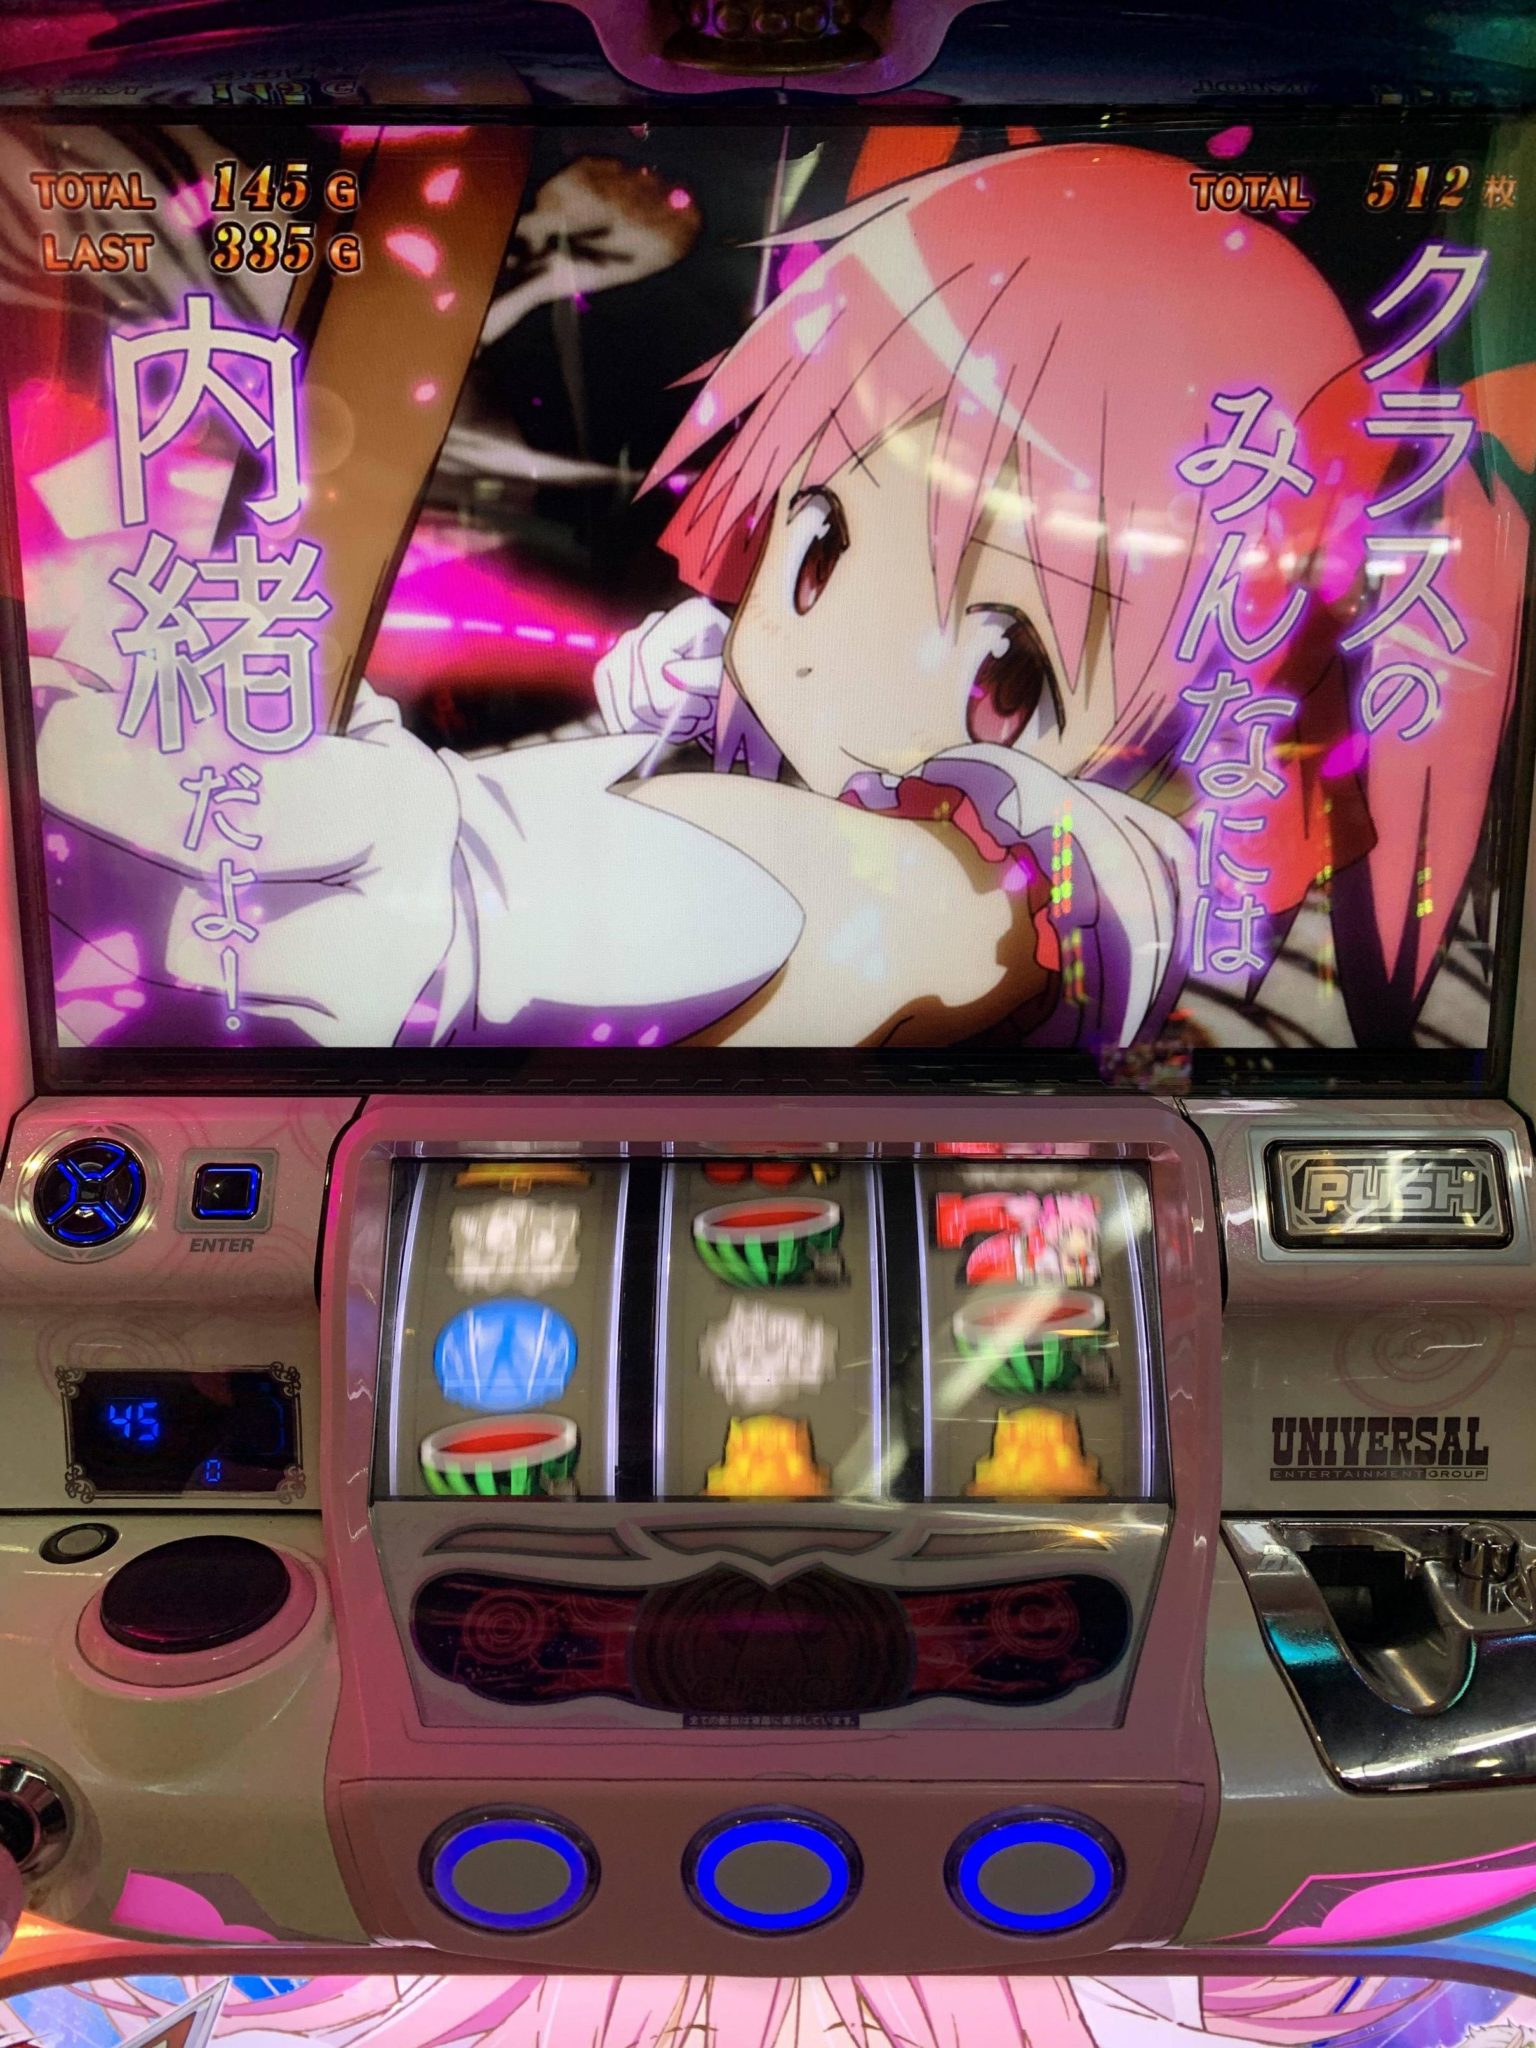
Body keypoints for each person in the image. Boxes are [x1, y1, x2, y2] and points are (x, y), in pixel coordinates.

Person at [32, 142, 1521, 1052]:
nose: (833, 657)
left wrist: (468, 899)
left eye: (1011, 665)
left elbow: (874, 907)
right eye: (819, 543)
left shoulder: (1086, 867)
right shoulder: (719, 712)